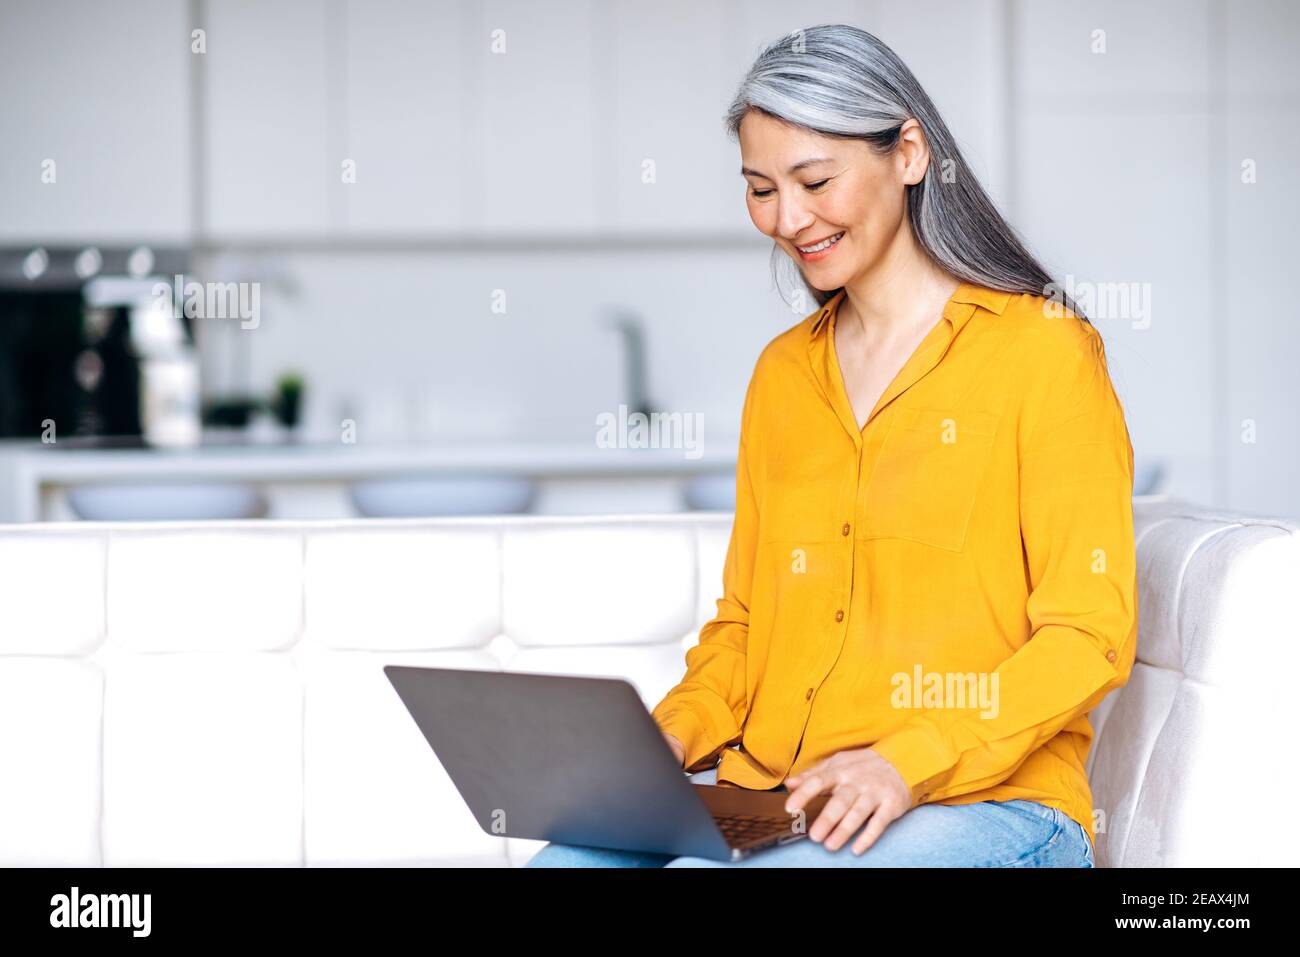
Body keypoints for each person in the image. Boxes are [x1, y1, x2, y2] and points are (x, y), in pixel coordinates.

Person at [527, 22, 1133, 868]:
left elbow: (1088, 633)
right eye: (761, 188)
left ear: (910, 153)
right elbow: (744, 627)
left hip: (985, 806)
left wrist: (905, 761)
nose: (789, 218)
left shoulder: (1044, 353)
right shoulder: (783, 377)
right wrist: (667, 741)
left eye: (815, 180)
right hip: (777, 792)